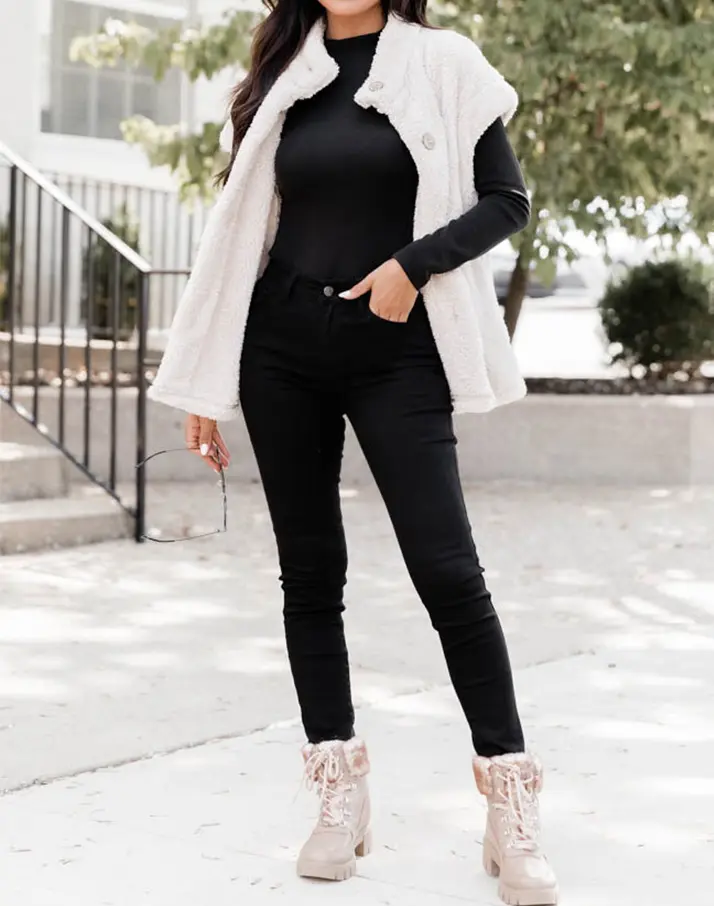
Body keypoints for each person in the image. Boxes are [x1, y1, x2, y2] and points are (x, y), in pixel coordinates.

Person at [149, 0, 558, 902]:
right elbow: (236, 237)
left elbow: (507, 200)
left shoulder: (444, 63)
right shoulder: (281, 74)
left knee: (449, 572)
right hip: (280, 348)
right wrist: (204, 385)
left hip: (398, 351)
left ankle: (511, 802)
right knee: (309, 575)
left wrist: (412, 266)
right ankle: (339, 791)